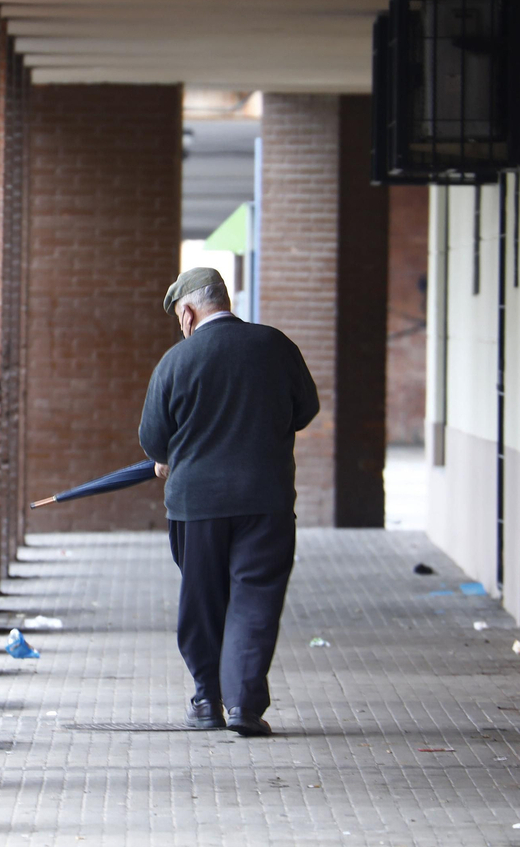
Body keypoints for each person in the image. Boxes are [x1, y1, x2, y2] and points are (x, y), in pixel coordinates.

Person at [138, 266, 319, 737]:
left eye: (180, 315)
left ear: (190, 311)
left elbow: (154, 440)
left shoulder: (176, 362)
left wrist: (173, 453)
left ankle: (206, 699)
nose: (182, 324)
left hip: (196, 507)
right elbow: (306, 410)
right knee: (255, 600)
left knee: (203, 600)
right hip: (267, 500)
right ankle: (244, 706)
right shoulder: (275, 346)